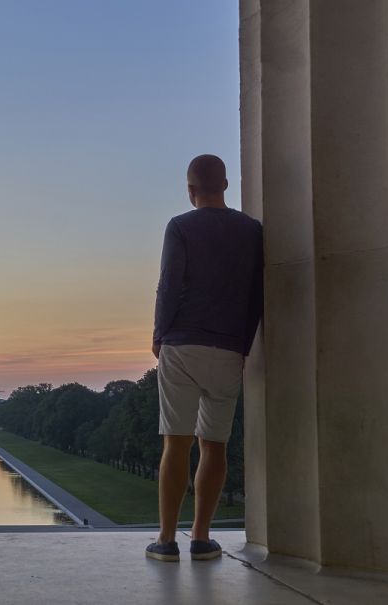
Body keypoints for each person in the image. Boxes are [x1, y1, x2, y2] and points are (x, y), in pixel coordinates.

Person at [146, 154, 263, 562]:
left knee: (175, 445)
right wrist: (243, 345)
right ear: (226, 185)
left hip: (182, 344)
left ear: (190, 190)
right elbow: (255, 297)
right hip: (229, 348)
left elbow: (168, 285)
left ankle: (165, 540)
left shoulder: (180, 226)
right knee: (214, 446)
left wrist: (159, 335)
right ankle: (200, 536)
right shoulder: (252, 230)